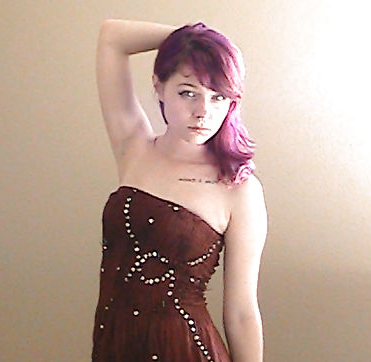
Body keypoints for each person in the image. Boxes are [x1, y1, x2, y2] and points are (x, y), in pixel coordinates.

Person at [92, 19, 267, 362]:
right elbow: (112, 36)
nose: (203, 112)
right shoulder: (134, 147)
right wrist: (196, 41)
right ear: (159, 87)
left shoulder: (238, 188)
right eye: (188, 92)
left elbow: (242, 312)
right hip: (113, 346)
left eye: (218, 97)